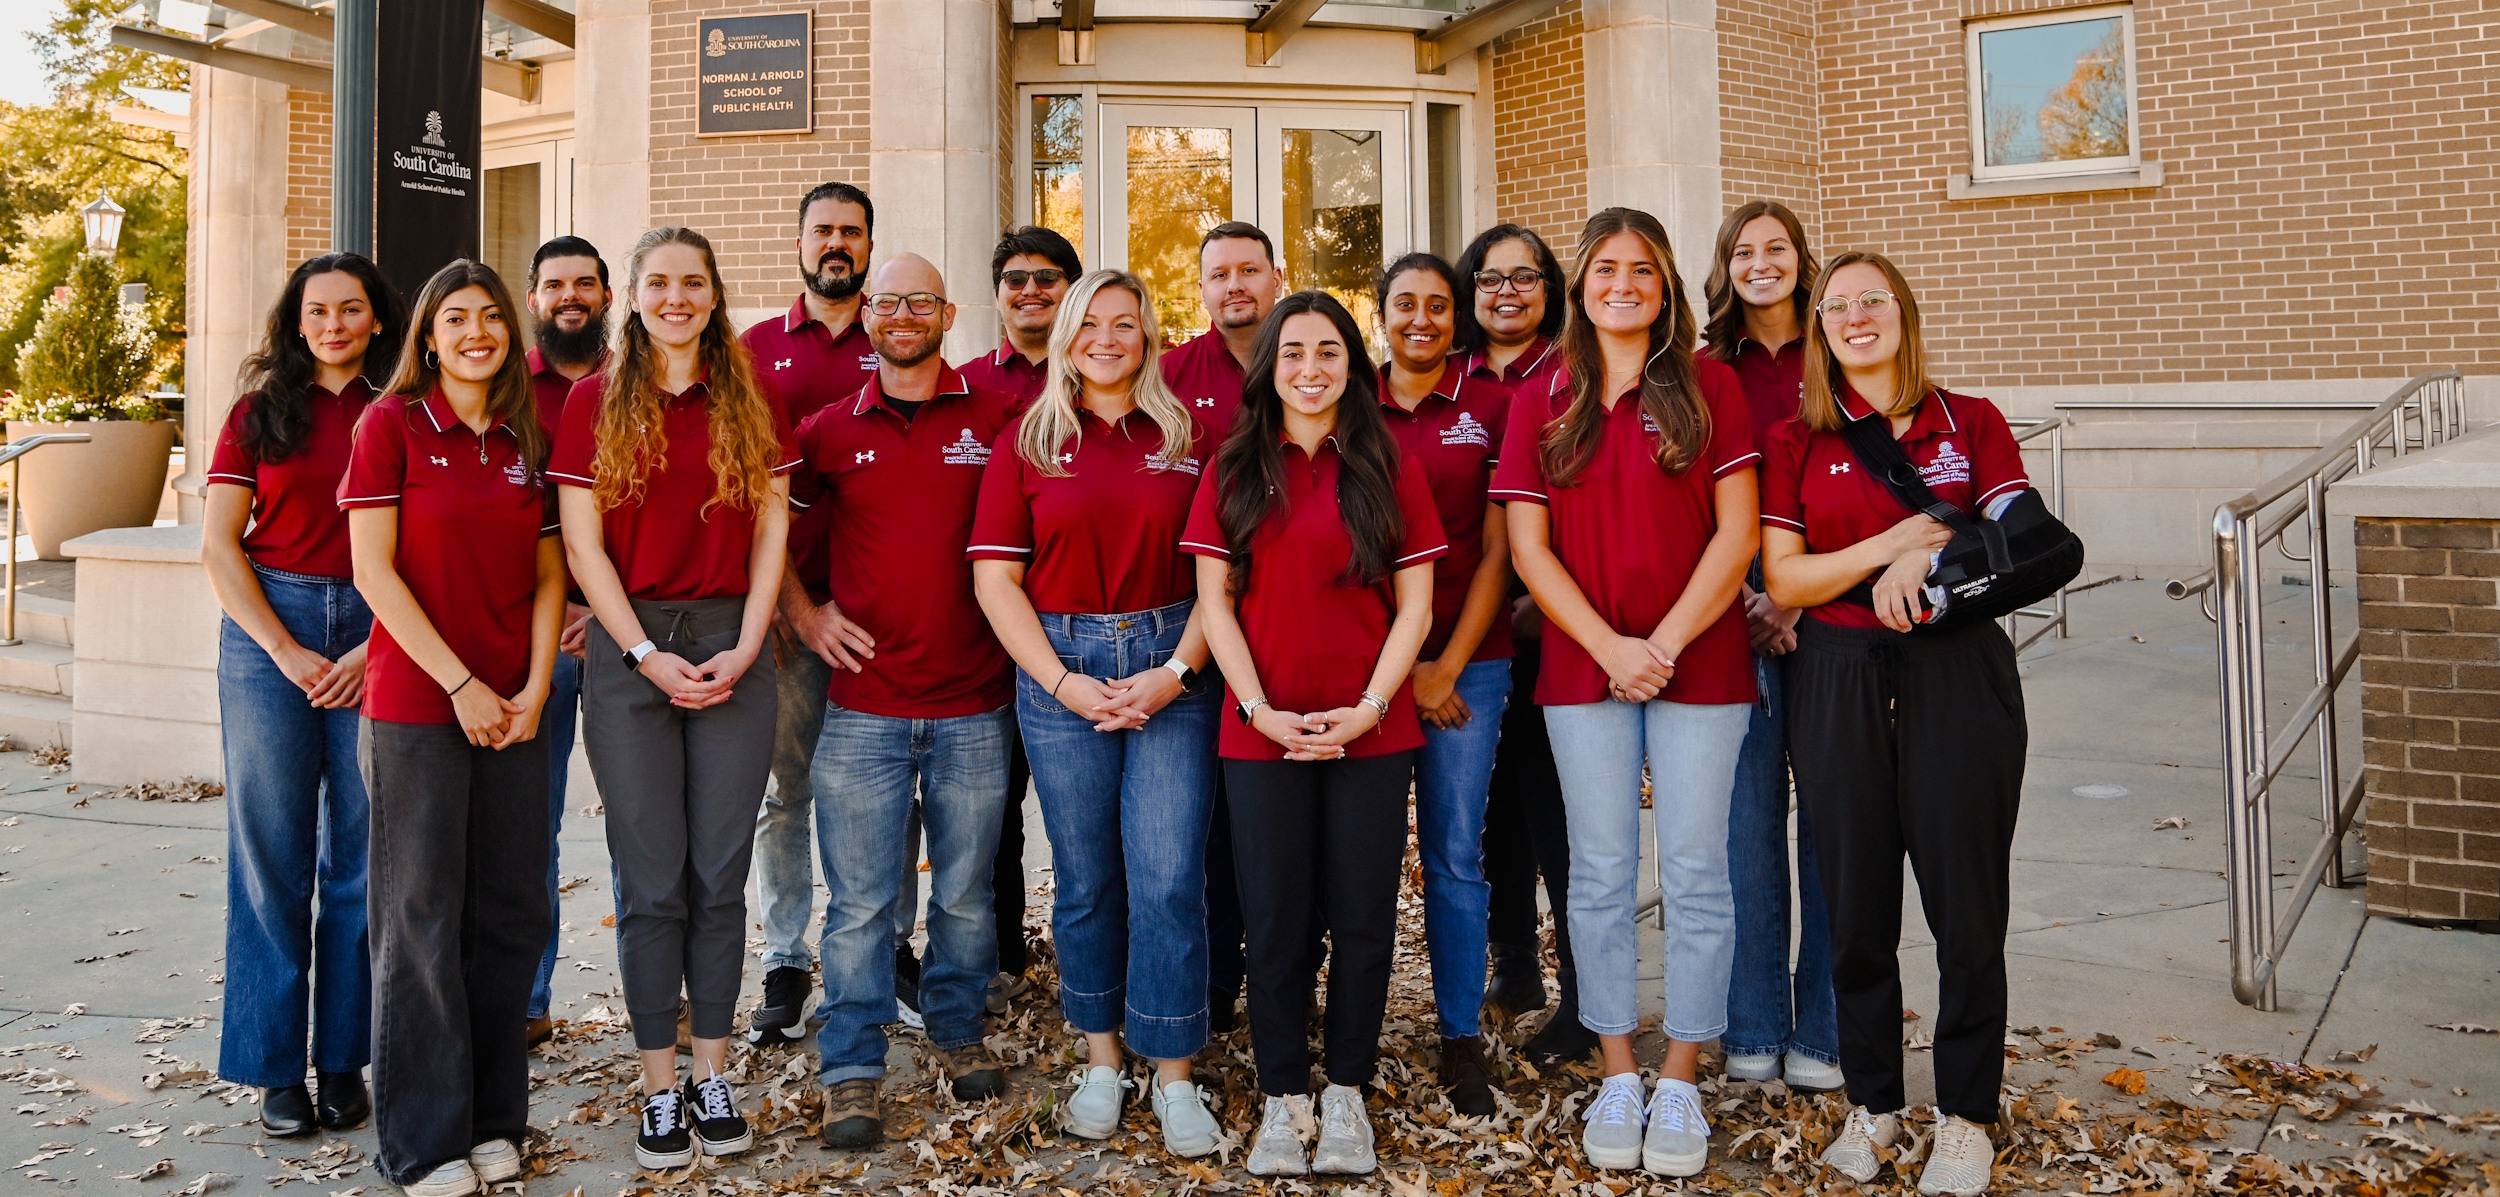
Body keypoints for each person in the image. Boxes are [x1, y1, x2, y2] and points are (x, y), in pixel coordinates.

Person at [1491, 207, 1760, 1178]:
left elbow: (1737, 536)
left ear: (1665, 287)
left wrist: (1664, 644)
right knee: (1598, 874)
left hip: (1702, 667)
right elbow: (1527, 547)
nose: (1621, 284)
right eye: (1604, 269)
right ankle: (1615, 1063)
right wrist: (1612, 645)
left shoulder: (1710, 386)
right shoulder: (1543, 397)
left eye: (1640, 270)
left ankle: (1681, 1074)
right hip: (1582, 668)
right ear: (1581, 287)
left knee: (1693, 872)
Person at [1760, 252, 2030, 1197]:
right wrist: (1892, 546)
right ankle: (1873, 1103)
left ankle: (1966, 1115)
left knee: (1966, 907)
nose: (1855, 316)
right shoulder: (1800, 436)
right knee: (1857, 907)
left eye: (1872, 299)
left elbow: (2021, 534)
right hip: (1836, 678)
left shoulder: (1973, 421)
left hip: (1957, 674)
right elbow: (1786, 580)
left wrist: (1937, 563)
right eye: (1836, 306)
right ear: (1821, 330)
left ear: (1904, 313)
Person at [1184, 291, 1447, 1179]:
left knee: (1366, 917)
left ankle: (1345, 1092)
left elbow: (1415, 604)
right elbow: (1214, 605)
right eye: (1292, 350)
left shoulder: (1387, 462)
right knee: (1275, 919)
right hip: (1260, 729)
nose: (1309, 367)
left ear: (1351, 363)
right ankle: (1282, 1092)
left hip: (1372, 727)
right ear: (1269, 366)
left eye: (1328, 350)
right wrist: (1260, 710)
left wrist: (1372, 706)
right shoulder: (1231, 465)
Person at [968, 269, 1224, 1157]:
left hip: (1171, 665)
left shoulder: (1192, 436)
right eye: (1090, 325)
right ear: (1068, 335)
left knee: (1167, 875)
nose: (1107, 339)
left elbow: (1219, 579)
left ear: (1149, 335)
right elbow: (995, 582)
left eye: (1126, 324)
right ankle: (1103, 1057)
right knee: (1086, 879)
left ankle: (1174, 1067)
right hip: (1061, 667)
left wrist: (1177, 672)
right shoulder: (1027, 441)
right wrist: (1062, 683)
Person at [553, 227, 792, 1169]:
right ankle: (660, 1086)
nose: (677, 297)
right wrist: (644, 651)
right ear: (634, 296)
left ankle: (714, 1071)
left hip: (735, 637)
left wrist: (746, 642)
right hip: (630, 651)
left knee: (718, 877)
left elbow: (773, 529)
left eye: (693, 282)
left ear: (714, 293)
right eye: (659, 282)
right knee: (650, 879)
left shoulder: (750, 392)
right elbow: (582, 547)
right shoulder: (590, 401)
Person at [340, 259, 564, 1196]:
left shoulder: (524, 434)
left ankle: (490, 1121)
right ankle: (421, 1143)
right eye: (456, 317)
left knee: (509, 916)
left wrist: (537, 688)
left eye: (491, 317)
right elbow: (373, 574)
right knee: (421, 920)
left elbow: (552, 573)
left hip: (515, 711)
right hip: (418, 712)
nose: (477, 332)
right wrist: (464, 682)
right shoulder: (389, 425)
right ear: (427, 336)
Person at [793, 255, 1020, 1149]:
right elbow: (770, 529)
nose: (901, 314)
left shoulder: (998, 417)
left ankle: (958, 1031)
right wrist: (806, 617)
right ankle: (852, 1066)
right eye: (887, 302)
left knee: (964, 897)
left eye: (920, 300)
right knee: (858, 905)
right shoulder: (827, 429)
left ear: (948, 312)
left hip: (974, 703)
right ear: (868, 316)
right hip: (864, 707)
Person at [203, 251, 400, 1138]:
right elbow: (219, 546)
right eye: (317, 310)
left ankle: (342, 1060)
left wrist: (373, 642)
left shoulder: (401, 411)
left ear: (377, 319)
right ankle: (274, 1065)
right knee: (270, 851)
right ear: (296, 320)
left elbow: (423, 542)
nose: (333, 324)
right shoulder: (257, 414)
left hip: (377, 621)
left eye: (350, 309)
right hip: (269, 622)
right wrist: (282, 650)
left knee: (361, 860)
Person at [1698, 200, 1843, 1093]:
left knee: (1835, 826)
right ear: (1726, 266)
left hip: (1833, 608)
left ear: (1802, 259)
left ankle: (1823, 1030)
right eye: (1744, 252)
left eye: (1777, 248)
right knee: (1745, 828)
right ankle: (1753, 1019)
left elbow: (1865, 479)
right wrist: (1753, 593)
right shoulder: (1708, 368)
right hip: (1733, 612)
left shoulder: (1841, 352)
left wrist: (1797, 590)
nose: (1762, 263)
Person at [741, 182, 889, 1046]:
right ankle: (787, 957)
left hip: (881, 621)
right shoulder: (756, 353)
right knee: (785, 791)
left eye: (852, 232)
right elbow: (751, 500)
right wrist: (797, 608)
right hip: (790, 617)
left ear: (870, 245)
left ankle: (882, 951)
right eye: (823, 230)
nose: (837, 243)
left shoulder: (899, 339)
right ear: (798, 242)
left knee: (882, 797)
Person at [1372, 252, 1514, 1116]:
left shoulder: (1491, 407)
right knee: (1361, 858)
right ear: (1379, 314)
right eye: (1403, 304)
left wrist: (1446, 666)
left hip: (1472, 665)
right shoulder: (1352, 404)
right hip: (1372, 670)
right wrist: (1399, 668)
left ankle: (1460, 1031)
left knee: (1455, 855)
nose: (1420, 318)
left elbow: (1501, 551)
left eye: (1436, 305)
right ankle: (1357, 1020)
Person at [1453, 224, 1588, 1062]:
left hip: (1557, 631)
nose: (1508, 292)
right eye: (1491, 278)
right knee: (1489, 811)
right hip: (1472, 635)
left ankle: (1584, 994)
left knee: (1562, 818)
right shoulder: (1452, 378)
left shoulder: (1575, 374)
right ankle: (1515, 966)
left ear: (1550, 289)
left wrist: (1547, 602)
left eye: (1526, 278)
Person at [1159, 219, 1283, 1032]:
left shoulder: (1312, 359)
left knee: (1271, 826)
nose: (1234, 285)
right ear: (1200, 288)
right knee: (1199, 825)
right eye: (1218, 274)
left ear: (1276, 275)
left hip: (1289, 624)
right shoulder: (1167, 374)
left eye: (1248, 270)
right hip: (1192, 631)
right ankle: (1209, 987)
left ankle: (1280, 982)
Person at [957, 224, 1084, 1013]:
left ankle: (1091, 954)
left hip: (1088, 630)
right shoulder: (965, 387)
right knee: (993, 806)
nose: (1031, 291)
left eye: (1047, 278)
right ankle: (1002, 953)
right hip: (987, 635)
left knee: (1084, 810)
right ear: (997, 294)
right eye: (1015, 279)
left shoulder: (1108, 377)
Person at [520, 234, 612, 1047]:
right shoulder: (504, 384)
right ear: (534, 298)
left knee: (648, 828)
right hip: (532, 643)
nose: (570, 297)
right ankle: (527, 999)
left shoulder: (642, 384)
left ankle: (665, 997)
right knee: (527, 823)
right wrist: (554, 616)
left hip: (630, 636)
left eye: (585, 283)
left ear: (608, 298)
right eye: (555, 285)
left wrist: (606, 615)